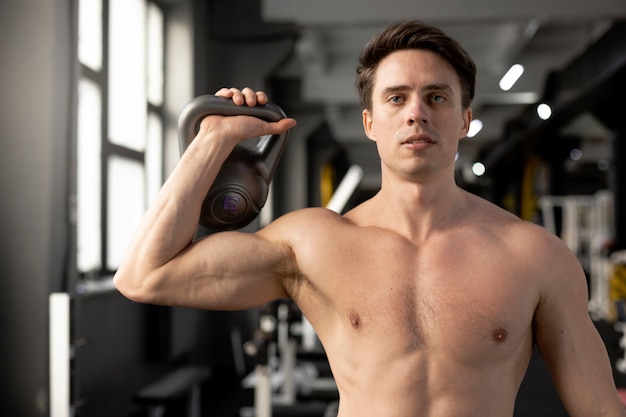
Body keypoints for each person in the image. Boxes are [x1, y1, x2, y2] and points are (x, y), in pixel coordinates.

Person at [114, 20, 626, 417]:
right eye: (396, 98)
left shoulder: (533, 254)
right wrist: (211, 142)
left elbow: (601, 408)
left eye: (437, 97)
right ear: (370, 122)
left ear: (466, 119)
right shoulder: (314, 242)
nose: (416, 113)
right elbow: (144, 275)